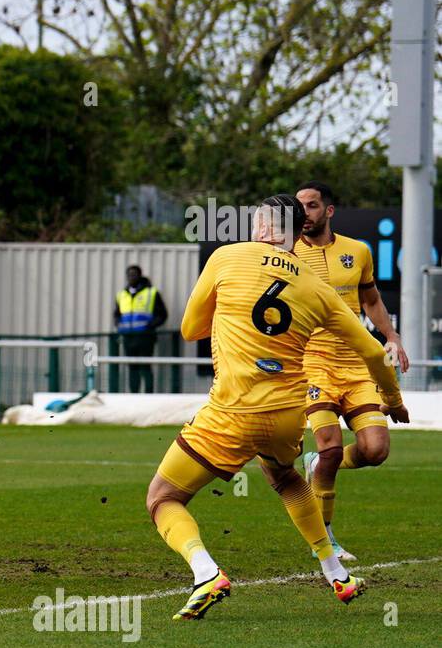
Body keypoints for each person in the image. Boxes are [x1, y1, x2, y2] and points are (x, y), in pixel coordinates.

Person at [145, 195, 408, 622]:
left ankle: (206, 572)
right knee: (284, 478)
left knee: (163, 498)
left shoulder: (226, 257)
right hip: (287, 414)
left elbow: (191, 329)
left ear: (265, 228)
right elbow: (377, 354)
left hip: (231, 410)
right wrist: (392, 400)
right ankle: (336, 572)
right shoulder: (318, 288)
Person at [294, 181, 409, 563]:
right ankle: (326, 541)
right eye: (299, 207)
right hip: (311, 363)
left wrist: (392, 336)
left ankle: (316, 464)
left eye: (312, 206)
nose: (304, 214)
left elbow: (371, 299)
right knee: (327, 446)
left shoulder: (357, 251)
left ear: (328, 211)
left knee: (376, 450)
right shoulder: (285, 254)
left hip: (355, 363)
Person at [114, 265, 167, 393]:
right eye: (129, 275)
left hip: (145, 337)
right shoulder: (122, 294)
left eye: (134, 274)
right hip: (128, 337)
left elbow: (162, 315)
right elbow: (117, 314)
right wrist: (119, 325)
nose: (131, 277)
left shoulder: (151, 292)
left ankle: (148, 395)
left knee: (145, 366)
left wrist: (150, 326)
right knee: (132, 367)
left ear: (140, 276)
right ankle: (134, 395)